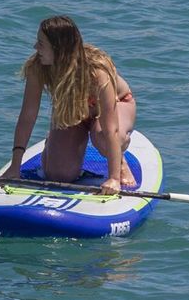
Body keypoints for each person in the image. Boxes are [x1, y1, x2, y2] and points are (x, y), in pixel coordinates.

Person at [9, 15, 137, 194]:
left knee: (103, 137)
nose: (35, 47)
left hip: (116, 105)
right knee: (58, 174)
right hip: (75, 112)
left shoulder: (97, 70)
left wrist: (113, 178)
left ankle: (120, 161)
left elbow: (111, 129)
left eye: (41, 43)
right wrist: (15, 167)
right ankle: (52, 142)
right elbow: (27, 117)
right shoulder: (37, 68)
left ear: (58, 48)